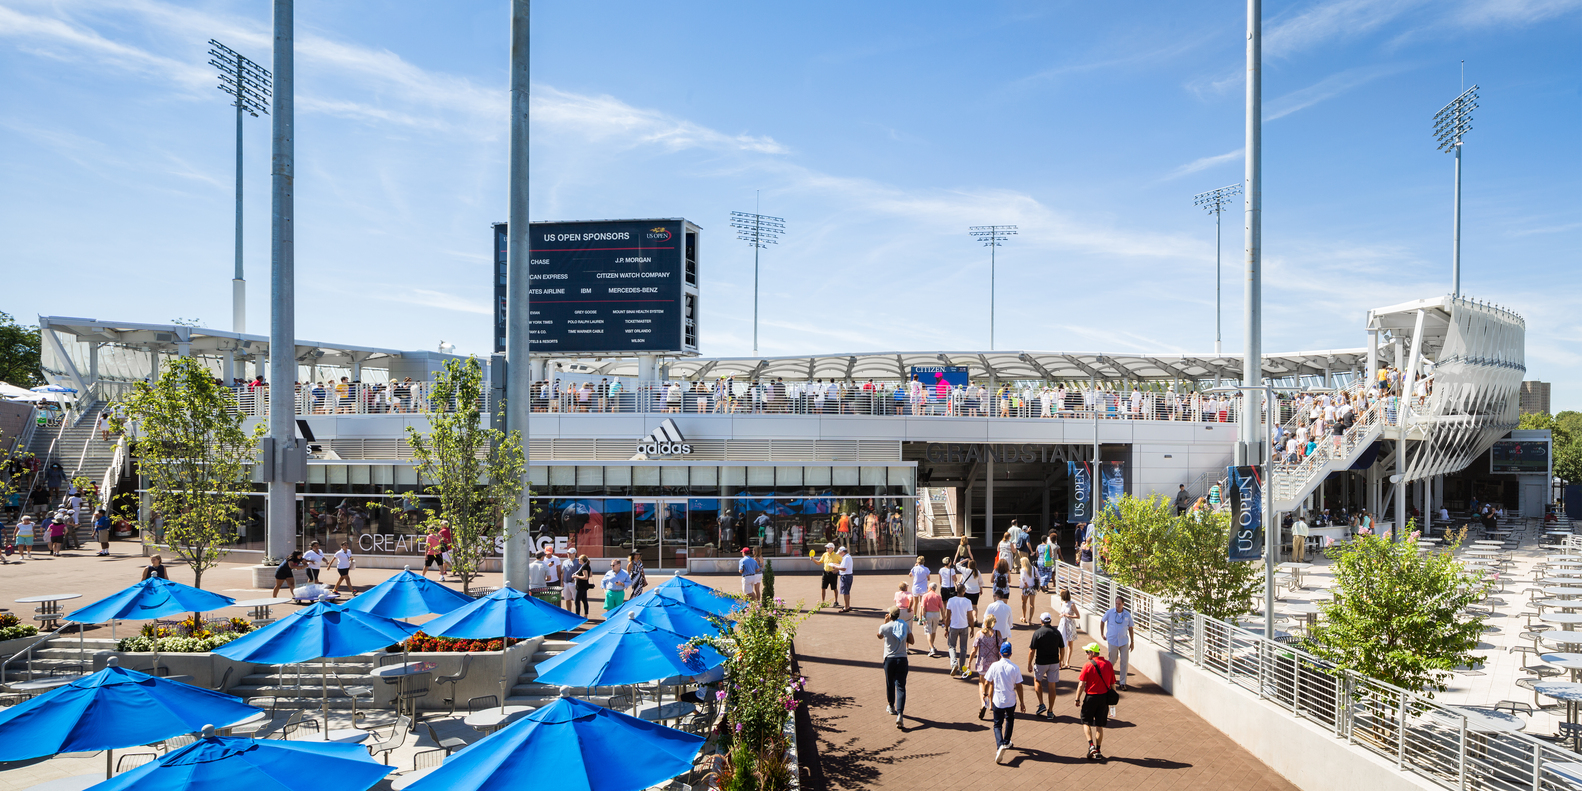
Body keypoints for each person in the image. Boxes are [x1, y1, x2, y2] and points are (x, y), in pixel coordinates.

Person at [1075, 642, 1118, 761]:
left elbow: (1081, 684)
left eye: (1087, 652)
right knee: (1099, 725)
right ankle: (1098, 750)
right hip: (1104, 698)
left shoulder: (1087, 665)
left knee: (1086, 722)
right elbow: (1112, 683)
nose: (1086, 654)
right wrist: (1112, 702)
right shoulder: (1108, 665)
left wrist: (1077, 698)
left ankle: (1091, 746)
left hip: (1090, 698)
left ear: (1093, 653)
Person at [985, 641, 1026, 764]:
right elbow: (1019, 686)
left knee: (997, 724)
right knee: (1010, 719)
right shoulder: (1015, 668)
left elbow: (987, 681)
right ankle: (1007, 741)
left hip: (998, 700)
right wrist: (1022, 702)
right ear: (1011, 654)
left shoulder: (994, 666)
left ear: (1000, 653)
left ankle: (1000, 745)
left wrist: (985, 694)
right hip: (1010, 700)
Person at [877, 606, 914, 730]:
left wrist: (885, 622)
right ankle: (900, 714)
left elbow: (879, 636)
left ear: (890, 615)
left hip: (889, 659)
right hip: (902, 658)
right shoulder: (904, 626)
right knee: (901, 686)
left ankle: (891, 706)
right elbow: (912, 641)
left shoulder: (885, 627)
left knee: (889, 683)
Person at [1028, 612, 1065, 719]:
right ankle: (1050, 711)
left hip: (1041, 662)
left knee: (1037, 681)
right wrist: (1060, 661)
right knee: (1052, 686)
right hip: (1054, 662)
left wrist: (1029, 663)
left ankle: (1041, 704)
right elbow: (1062, 649)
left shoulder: (1038, 633)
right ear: (1050, 621)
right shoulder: (1057, 633)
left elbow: (1032, 650)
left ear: (1041, 621)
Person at [1099, 595, 1135, 689]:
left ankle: (1123, 683)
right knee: (1112, 660)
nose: (1117, 605)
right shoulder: (1110, 612)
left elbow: (1130, 628)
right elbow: (1102, 621)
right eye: (1116, 603)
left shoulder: (1127, 614)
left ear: (1123, 604)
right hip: (1112, 641)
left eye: (1119, 604)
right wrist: (1102, 634)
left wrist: (1132, 642)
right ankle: (1107, 679)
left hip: (1124, 641)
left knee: (1124, 662)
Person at [945, 586, 977, 677]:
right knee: (963, 648)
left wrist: (946, 628)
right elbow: (970, 618)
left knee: (951, 646)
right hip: (964, 626)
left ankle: (954, 663)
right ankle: (962, 667)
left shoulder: (951, 600)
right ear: (964, 591)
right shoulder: (968, 601)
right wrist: (972, 628)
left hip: (954, 626)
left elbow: (947, 617)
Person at [969, 613, 1001, 691]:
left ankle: (983, 700)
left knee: (981, 683)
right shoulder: (997, 633)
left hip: (983, 663)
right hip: (994, 662)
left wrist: (969, 662)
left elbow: (974, 650)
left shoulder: (979, 633)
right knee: (991, 684)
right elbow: (1001, 649)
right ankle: (990, 700)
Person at [1056, 588, 1081, 669]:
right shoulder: (1062, 603)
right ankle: (1061, 661)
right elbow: (1061, 613)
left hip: (1070, 625)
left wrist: (1069, 616)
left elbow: (1078, 616)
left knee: (1070, 644)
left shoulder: (1072, 604)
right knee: (1061, 643)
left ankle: (1067, 662)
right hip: (1063, 624)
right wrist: (1062, 615)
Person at [918, 582, 945, 656]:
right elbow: (942, 608)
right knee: (933, 631)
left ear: (930, 588)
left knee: (928, 631)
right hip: (936, 614)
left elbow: (923, 607)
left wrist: (923, 618)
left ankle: (931, 648)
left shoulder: (925, 596)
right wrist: (943, 618)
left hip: (928, 614)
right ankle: (932, 645)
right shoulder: (938, 596)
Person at [907, 556, 929, 620]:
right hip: (923, 587)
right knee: (922, 603)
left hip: (915, 587)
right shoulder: (926, 569)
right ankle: (921, 617)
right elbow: (929, 578)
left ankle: (914, 615)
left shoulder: (914, 568)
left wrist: (914, 566)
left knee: (915, 602)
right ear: (923, 562)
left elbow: (910, 575)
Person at [1018, 557, 1037, 625]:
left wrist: (1026, 584)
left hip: (1026, 588)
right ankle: (1030, 620)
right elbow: (1039, 577)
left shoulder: (1023, 569)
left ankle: (1024, 617)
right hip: (1033, 588)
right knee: (1032, 604)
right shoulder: (1034, 568)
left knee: (1024, 603)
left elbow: (1022, 578)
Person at [837, 546, 855, 612]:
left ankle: (846, 607)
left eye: (840, 553)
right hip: (848, 576)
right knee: (846, 591)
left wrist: (836, 567)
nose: (839, 554)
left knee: (845, 592)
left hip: (845, 576)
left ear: (842, 552)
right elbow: (843, 566)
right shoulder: (848, 557)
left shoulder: (846, 558)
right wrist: (838, 565)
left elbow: (844, 568)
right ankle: (847, 605)